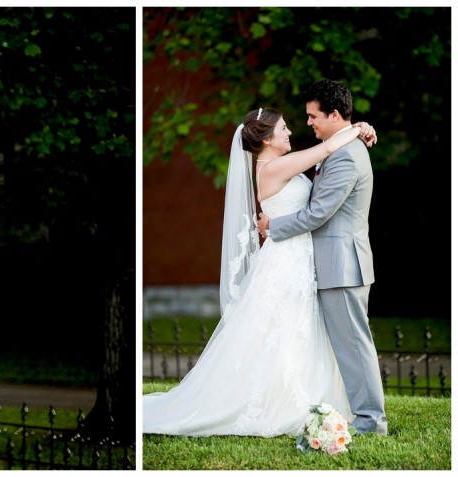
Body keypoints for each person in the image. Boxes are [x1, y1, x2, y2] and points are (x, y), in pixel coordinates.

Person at [142, 107, 377, 437]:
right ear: (267, 139)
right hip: (287, 259)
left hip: (297, 255)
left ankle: (311, 396)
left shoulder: (275, 165)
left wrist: (356, 129)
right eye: (283, 129)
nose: (291, 132)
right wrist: (360, 128)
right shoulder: (273, 167)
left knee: (296, 329)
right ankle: (279, 400)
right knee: (284, 330)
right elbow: (326, 148)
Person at [258, 79, 387, 436]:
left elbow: (318, 213)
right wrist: (361, 128)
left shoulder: (346, 155)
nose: (309, 123)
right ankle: (361, 414)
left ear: (333, 114)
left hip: (342, 265)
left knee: (354, 346)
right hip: (335, 264)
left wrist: (272, 226)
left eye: (314, 116)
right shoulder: (344, 146)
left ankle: (371, 421)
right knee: (348, 346)